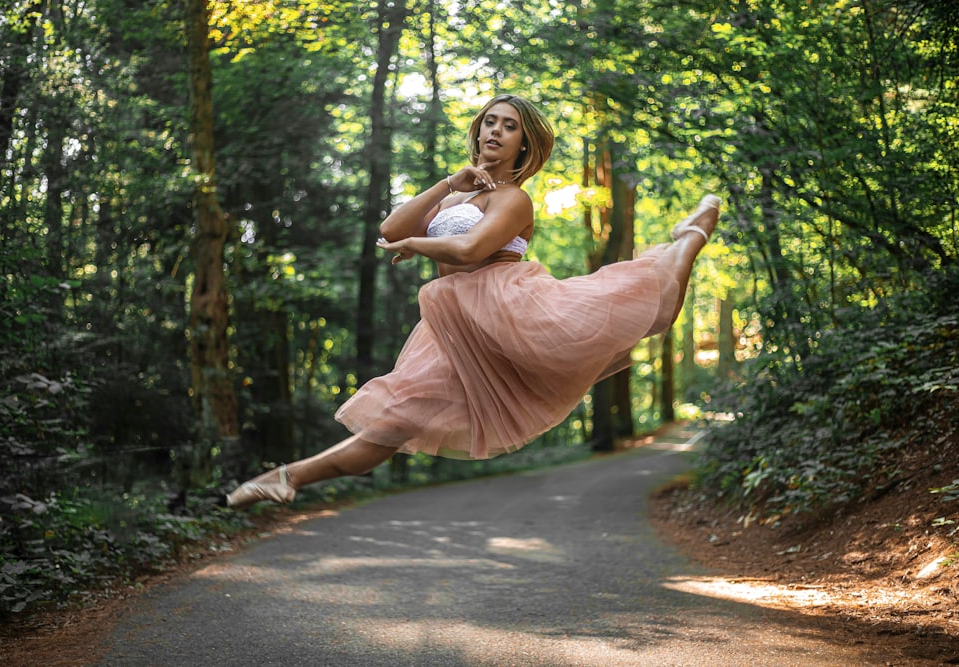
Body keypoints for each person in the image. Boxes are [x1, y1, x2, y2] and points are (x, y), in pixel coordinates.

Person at [225, 94, 719, 509]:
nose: (496, 132)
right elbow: (390, 229)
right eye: (490, 122)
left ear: (523, 143)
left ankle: (689, 237)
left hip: (511, 306)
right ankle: (286, 478)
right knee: (393, 422)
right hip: (457, 326)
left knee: (653, 310)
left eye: (510, 127)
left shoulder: (513, 199)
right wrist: (448, 185)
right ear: (478, 129)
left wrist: (418, 245)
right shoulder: (452, 198)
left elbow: (468, 250)